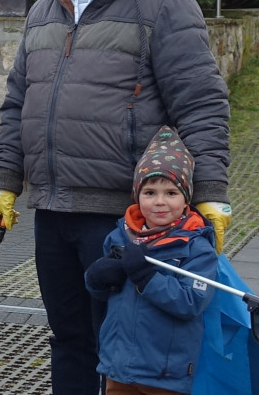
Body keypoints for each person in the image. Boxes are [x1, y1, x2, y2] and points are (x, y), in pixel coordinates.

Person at [0, 0, 230, 395]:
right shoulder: (43, 10)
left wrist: (210, 193)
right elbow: (16, 104)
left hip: (126, 218)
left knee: (123, 351)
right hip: (53, 212)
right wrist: (7, 180)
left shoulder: (166, 4)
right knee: (67, 337)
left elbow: (201, 104)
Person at [85, 126, 217, 394]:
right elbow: (103, 293)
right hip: (118, 364)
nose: (159, 202)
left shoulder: (197, 248)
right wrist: (97, 278)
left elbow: (190, 303)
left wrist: (147, 277)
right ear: (137, 195)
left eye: (171, 193)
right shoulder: (120, 236)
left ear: (186, 199)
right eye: (149, 193)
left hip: (164, 372)